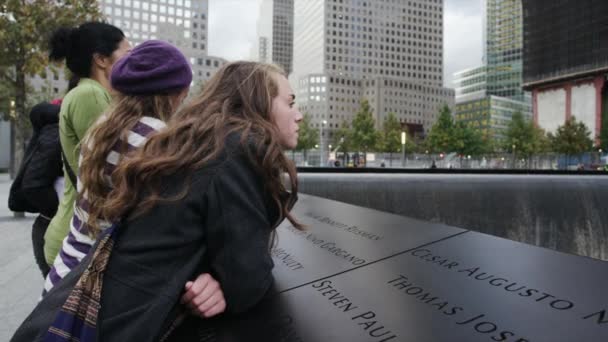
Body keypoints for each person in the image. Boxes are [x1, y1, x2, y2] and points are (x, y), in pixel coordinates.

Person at [92, 61, 303, 340]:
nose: (298, 115)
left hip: (112, 313)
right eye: (290, 103)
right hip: (131, 327)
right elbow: (249, 283)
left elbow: (181, 231)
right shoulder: (235, 151)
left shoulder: (201, 145)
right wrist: (228, 281)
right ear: (259, 103)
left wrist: (214, 277)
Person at [43, 22, 131, 267]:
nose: (132, 60)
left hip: (82, 238)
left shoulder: (93, 93)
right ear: (101, 60)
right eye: (127, 53)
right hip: (78, 244)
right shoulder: (89, 95)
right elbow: (111, 169)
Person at [8, 102, 63, 277]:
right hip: (52, 227)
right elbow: (33, 185)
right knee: (59, 297)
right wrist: (61, 209)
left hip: (47, 226)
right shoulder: (55, 131)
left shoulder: (50, 130)